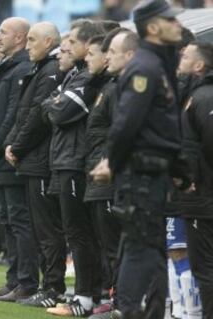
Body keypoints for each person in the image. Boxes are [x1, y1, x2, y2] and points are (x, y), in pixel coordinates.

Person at [91, 1, 188, 318]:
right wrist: (114, 165)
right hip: (141, 176)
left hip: (155, 174)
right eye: (169, 19)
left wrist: (179, 171)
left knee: (154, 251)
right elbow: (125, 126)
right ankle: (128, 311)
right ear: (153, 27)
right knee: (139, 249)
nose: (177, 24)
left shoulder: (159, 62)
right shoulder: (145, 68)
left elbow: (164, 126)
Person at [45, 20, 110, 317]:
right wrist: (52, 102)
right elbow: (49, 106)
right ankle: (90, 295)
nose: (64, 46)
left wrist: (53, 103)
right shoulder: (79, 77)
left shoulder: (88, 80)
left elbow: (58, 111)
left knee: (81, 233)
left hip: (75, 162)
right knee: (78, 232)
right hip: (67, 160)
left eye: (71, 40)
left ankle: (86, 298)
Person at [3, 21, 67, 308]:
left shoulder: (50, 71)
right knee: (40, 228)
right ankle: (44, 286)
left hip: (41, 161)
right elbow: (25, 113)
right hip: (32, 159)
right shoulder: (41, 69)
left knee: (47, 230)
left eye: (32, 40)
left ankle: (53, 288)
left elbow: (39, 117)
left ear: (49, 41)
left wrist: (17, 146)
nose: (27, 45)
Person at [0, 17, 39, 302]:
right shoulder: (6, 67)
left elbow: (14, 114)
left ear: (19, 38)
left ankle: (26, 282)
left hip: (9, 156)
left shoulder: (23, 68)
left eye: (3, 32)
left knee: (18, 220)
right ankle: (13, 280)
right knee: (6, 219)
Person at [86, 29, 139, 319]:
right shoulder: (112, 86)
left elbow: (122, 134)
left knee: (117, 245)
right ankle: (113, 297)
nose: (107, 57)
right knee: (109, 244)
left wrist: (110, 164)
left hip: (117, 176)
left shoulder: (125, 90)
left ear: (129, 55)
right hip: (106, 173)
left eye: (112, 52)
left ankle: (120, 302)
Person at [176, 41, 213, 319]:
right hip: (200, 197)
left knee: (206, 267)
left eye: (186, 56)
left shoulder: (203, 97)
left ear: (199, 65)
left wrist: (190, 177)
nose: (180, 58)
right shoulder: (194, 95)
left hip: (204, 197)